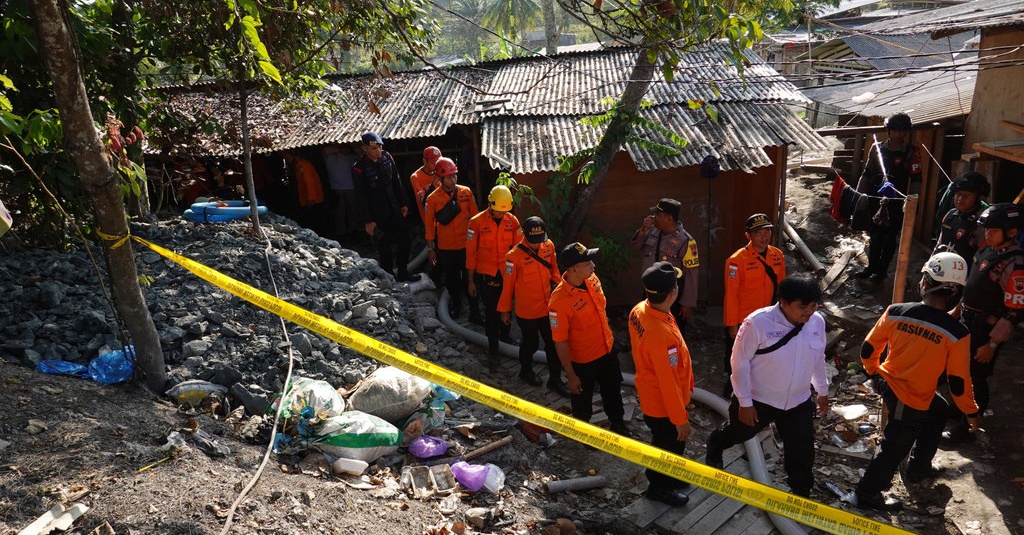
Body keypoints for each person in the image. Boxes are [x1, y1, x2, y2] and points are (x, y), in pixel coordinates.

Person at [853, 252, 979, 511]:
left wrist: (873, 373)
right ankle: (866, 495)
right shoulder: (957, 333)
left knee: (939, 409)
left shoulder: (897, 311)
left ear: (926, 283)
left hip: (897, 385)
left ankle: (919, 467)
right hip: (905, 396)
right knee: (894, 446)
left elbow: (868, 349)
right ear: (955, 293)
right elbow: (958, 381)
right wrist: (971, 411)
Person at [705, 275, 829, 498]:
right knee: (739, 432)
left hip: (798, 401)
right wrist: (744, 402)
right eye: (803, 307)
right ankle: (716, 442)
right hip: (759, 399)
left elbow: (818, 358)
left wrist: (822, 390)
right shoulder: (758, 323)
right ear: (783, 302)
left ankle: (801, 492)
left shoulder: (817, 322)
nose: (808, 312)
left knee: (802, 450)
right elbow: (739, 362)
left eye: (813, 306)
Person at [943, 203, 1024, 443]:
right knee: (958, 369)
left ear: (1010, 232)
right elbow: (970, 287)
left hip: (986, 331)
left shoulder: (1015, 265)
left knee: (976, 378)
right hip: (967, 321)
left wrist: (992, 344)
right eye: (986, 230)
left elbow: (1014, 312)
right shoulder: (987, 250)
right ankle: (957, 408)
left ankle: (967, 427)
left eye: (994, 231)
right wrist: (957, 310)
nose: (987, 234)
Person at [629, 261, 695, 507]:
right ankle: (659, 488)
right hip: (664, 405)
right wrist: (680, 419)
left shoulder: (640, 310)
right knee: (668, 447)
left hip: (652, 394)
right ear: (672, 293)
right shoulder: (661, 335)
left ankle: (671, 477)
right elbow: (667, 382)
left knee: (666, 444)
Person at [549, 242, 631, 437]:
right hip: (583, 360)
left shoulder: (592, 279)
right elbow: (559, 341)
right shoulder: (558, 302)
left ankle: (618, 425)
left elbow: (601, 311)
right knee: (582, 399)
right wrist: (570, 374)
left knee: (612, 390)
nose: (593, 266)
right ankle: (584, 435)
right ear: (573, 269)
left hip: (607, 349)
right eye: (587, 263)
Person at [497, 216, 568, 395]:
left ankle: (555, 379)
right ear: (524, 236)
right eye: (533, 241)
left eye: (539, 240)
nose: (537, 245)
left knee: (553, 344)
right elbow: (508, 287)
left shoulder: (548, 246)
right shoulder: (513, 257)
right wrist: (505, 311)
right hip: (527, 311)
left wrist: (565, 294)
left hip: (548, 308)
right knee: (530, 343)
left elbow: (555, 272)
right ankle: (526, 371)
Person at [722, 213, 786, 397]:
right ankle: (733, 388)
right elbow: (731, 295)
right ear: (748, 236)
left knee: (764, 355)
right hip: (745, 321)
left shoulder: (777, 256)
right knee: (737, 357)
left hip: (769, 318)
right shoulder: (736, 261)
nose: (764, 236)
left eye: (768, 231)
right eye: (759, 233)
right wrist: (732, 324)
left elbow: (782, 288)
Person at [852, 112, 922, 282]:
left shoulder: (912, 152)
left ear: (906, 133)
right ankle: (871, 267)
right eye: (895, 130)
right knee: (875, 235)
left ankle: (881, 272)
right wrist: (859, 195)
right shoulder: (877, 148)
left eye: (902, 131)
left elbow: (916, 179)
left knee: (890, 237)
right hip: (876, 199)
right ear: (889, 131)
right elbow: (867, 173)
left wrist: (911, 202)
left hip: (897, 202)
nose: (898, 134)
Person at [352, 131, 419, 282]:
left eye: (380, 147)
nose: (378, 151)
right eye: (374, 149)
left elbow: (396, 181)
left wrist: (403, 202)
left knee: (405, 239)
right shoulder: (359, 168)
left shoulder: (387, 158)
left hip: (394, 208)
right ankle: (389, 275)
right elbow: (361, 197)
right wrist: (368, 220)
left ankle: (403, 271)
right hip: (377, 214)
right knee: (384, 245)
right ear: (365, 149)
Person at [467, 185, 521, 367]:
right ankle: (493, 350)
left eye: (503, 211)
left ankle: (505, 338)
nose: (500, 214)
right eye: (497, 211)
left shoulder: (512, 222)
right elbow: (471, 252)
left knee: (507, 308)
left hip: (507, 275)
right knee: (491, 312)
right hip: (487, 274)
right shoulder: (476, 222)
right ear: (490, 204)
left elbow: (518, 250)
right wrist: (470, 280)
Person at [629, 198, 700, 332]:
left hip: (671, 295)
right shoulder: (652, 230)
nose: (653, 217)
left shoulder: (686, 241)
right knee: (647, 326)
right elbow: (635, 248)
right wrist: (642, 230)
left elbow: (691, 274)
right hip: (650, 290)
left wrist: (687, 303)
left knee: (672, 330)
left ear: (669, 218)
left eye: (658, 215)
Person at [423, 157, 477, 318]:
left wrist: (478, 242)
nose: (452, 179)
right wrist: (431, 248)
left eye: (454, 176)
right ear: (440, 178)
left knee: (471, 279)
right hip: (446, 248)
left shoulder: (466, 193)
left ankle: (474, 311)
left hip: (465, 245)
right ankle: (457, 306)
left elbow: (476, 218)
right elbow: (429, 226)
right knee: (452, 280)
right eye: (448, 177)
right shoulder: (432, 199)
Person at [933, 171, 990, 266]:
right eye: (958, 194)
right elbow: (938, 246)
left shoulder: (983, 223)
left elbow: (983, 258)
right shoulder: (950, 215)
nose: (960, 199)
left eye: (967, 195)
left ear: (978, 197)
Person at [321, 144, 358, 238]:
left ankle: (353, 232)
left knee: (352, 211)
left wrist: (348, 149)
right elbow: (324, 151)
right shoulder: (329, 155)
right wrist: (339, 149)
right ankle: (341, 234)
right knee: (339, 213)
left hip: (350, 187)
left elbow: (359, 153)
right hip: (336, 188)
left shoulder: (349, 155)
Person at [410, 146, 443, 223]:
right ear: (425, 161)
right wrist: (434, 185)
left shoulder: (440, 171)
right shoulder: (416, 177)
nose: (436, 165)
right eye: (433, 162)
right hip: (430, 220)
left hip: (445, 216)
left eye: (438, 162)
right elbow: (424, 202)